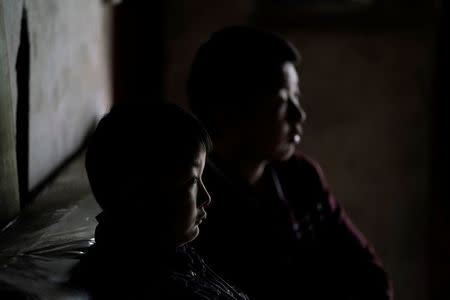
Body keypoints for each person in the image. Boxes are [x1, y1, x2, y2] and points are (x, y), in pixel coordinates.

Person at [187, 26, 393, 299]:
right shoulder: (196, 202)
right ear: (230, 113)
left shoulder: (301, 177)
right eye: (281, 103)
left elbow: (370, 277)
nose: (299, 115)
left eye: (296, 97)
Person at [70, 102, 249, 300]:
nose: (206, 198)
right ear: (141, 195)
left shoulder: (172, 251)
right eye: (191, 181)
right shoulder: (156, 287)